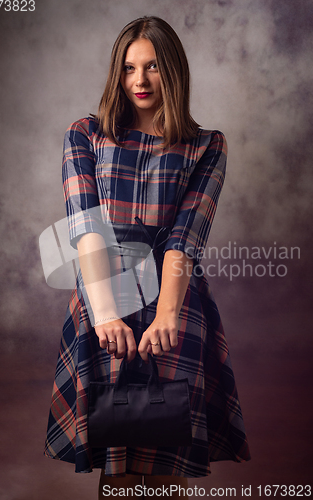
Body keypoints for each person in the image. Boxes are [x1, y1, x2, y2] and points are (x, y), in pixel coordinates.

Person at [44, 16, 250, 499]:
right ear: (118, 73)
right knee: (118, 465)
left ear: (172, 71)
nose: (139, 80)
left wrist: (167, 314)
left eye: (153, 67)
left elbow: (185, 237)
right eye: (129, 67)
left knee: (165, 459)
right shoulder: (86, 135)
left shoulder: (206, 146)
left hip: (174, 306)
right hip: (103, 301)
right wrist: (105, 313)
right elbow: (87, 232)